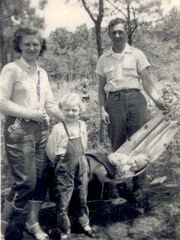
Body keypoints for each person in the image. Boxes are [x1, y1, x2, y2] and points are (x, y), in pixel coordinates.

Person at [0, 26, 63, 240]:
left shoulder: (42, 73)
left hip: (41, 131)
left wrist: (70, 120)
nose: (32, 47)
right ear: (19, 45)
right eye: (27, 43)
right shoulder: (11, 69)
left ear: (41, 47)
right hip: (17, 129)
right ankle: (1, 228)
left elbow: (51, 104)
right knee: (25, 182)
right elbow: (2, 102)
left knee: (40, 179)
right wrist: (31, 114)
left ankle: (33, 222)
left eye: (36, 44)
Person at [96, 18, 169, 198]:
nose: (117, 35)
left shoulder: (137, 54)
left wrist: (157, 99)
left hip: (135, 100)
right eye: (114, 32)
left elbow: (146, 81)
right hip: (113, 101)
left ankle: (139, 186)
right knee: (118, 144)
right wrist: (102, 109)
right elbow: (100, 88)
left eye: (120, 32)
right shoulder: (104, 58)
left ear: (125, 32)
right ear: (109, 34)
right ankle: (120, 185)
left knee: (140, 142)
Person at [46, 93, 95, 240]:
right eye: (67, 110)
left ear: (80, 111)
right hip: (64, 165)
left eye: (74, 110)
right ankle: (63, 231)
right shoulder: (58, 128)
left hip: (81, 163)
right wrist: (58, 163)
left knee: (81, 194)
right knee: (64, 197)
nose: (70, 113)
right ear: (61, 111)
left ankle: (84, 223)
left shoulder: (82, 126)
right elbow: (50, 149)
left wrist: (82, 161)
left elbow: (84, 144)